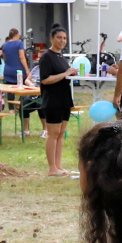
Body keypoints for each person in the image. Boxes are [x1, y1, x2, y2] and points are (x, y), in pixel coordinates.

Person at [36, 28, 76, 177]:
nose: (62, 41)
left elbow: (62, 75)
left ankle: (58, 166)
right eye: (59, 37)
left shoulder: (61, 56)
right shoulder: (47, 56)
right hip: (52, 99)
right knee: (53, 134)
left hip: (65, 99)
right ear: (52, 38)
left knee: (61, 134)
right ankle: (52, 168)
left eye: (64, 38)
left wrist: (71, 73)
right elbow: (45, 79)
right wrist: (65, 73)